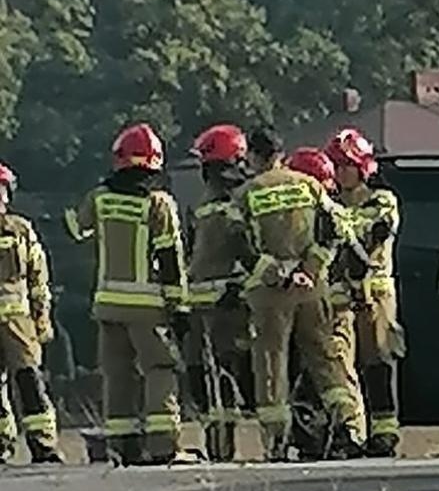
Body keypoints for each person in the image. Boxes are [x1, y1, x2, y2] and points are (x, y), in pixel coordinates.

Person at [65, 124, 192, 466]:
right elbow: (169, 258)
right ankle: (164, 446)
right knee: (160, 369)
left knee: (117, 374)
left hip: (107, 306)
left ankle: (123, 446)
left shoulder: (100, 198)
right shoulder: (158, 203)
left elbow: (76, 229)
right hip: (148, 307)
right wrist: (179, 306)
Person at [234, 137, 364, 460]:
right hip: (311, 288)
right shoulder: (309, 185)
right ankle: (347, 427)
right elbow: (336, 230)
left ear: (254, 156)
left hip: (270, 293)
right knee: (325, 358)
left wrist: (279, 275)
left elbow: (240, 245)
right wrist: (311, 268)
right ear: (281, 154)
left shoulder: (247, 193)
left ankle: (276, 443)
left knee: (271, 364)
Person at [325, 128, 404, 457]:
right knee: (341, 366)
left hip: (375, 297)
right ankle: (349, 432)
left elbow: (370, 235)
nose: (341, 172)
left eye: (347, 165)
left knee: (378, 362)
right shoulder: (329, 204)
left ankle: (384, 432)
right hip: (340, 299)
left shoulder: (381, 200)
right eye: (336, 165)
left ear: (362, 167)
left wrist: (342, 232)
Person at [185, 124, 256, 463]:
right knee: (200, 376)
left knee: (225, 375)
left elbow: (251, 251)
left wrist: (240, 286)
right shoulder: (203, 203)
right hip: (200, 307)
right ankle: (216, 445)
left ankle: (224, 448)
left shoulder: (242, 198)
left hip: (230, 304)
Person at [0, 162, 63, 465]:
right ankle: (7, 444)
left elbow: (38, 280)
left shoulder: (20, 230)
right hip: (19, 322)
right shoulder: (20, 230)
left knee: (29, 381)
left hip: (19, 324)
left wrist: (42, 318)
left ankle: (42, 445)